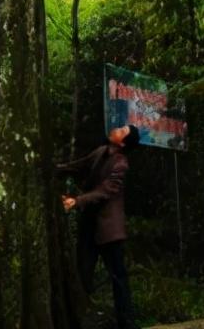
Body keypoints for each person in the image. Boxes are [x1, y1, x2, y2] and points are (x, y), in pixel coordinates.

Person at [58, 124, 140, 329]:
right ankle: (78, 319)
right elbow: (78, 166)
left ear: (122, 143)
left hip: (109, 228)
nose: (117, 129)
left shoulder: (121, 164)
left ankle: (126, 322)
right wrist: (53, 169)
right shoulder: (101, 152)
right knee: (82, 272)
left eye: (122, 131)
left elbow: (105, 191)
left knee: (118, 277)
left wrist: (77, 201)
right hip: (90, 224)